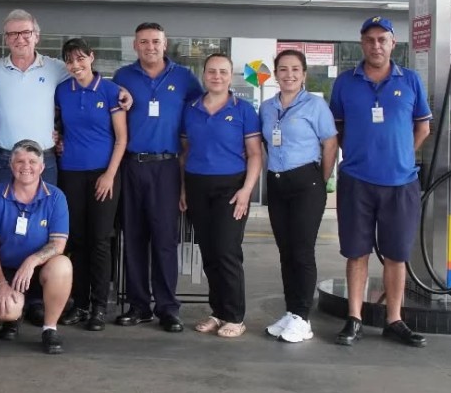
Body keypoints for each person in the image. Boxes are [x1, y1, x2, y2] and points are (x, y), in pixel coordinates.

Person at [329, 16, 431, 348]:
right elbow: (337, 130)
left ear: (393, 43)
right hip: (356, 181)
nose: (376, 45)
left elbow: (423, 128)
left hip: (401, 183)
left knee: (396, 255)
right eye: (370, 40)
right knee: (356, 253)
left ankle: (394, 319)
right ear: (362, 44)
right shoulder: (345, 82)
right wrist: (359, 155)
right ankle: (355, 318)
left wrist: (399, 156)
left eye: (382, 39)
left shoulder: (411, 80)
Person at [111, 22, 202, 332]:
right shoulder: (123, 77)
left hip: (167, 167)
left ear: (165, 44)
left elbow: (202, 114)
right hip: (132, 165)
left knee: (165, 240)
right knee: (134, 238)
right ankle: (139, 305)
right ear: (135, 46)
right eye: (144, 42)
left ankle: (167, 307)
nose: (150, 46)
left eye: (155, 41)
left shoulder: (184, 78)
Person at [180, 53, 262, 339]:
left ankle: (235, 316)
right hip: (197, 185)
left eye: (223, 72)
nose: (217, 76)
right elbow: (186, 152)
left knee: (227, 251)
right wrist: (182, 189)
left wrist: (246, 191)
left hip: (231, 187)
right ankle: (218, 312)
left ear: (231, 76)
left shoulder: (244, 109)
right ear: (203, 75)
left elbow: (254, 154)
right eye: (212, 72)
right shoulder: (190, 108)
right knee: (210, 252)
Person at [259, 49, 338, 343]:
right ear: (276, 74)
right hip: (277, 183)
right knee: (285, 251)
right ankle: (291, 312)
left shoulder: (315, 106)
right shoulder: (267, 107)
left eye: (294, 69)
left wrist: (321, 179)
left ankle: (303, 318)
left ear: (304, 74)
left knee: (302, 251)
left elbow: (330, 143)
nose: (288, 74)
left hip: (307, 182)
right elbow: (265, 143)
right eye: (282, 69)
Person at [54, 38, 126, 330]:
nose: (76, 65)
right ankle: (80, 304)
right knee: (77, 241)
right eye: (70, 61)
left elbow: (122, 138)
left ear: (92, 58)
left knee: (99, 241)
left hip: (103, 174)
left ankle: (98, 306)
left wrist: (109, 175)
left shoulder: (110, 91)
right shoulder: (62, 91)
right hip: (70, 173)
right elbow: (58, 126)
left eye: (81, 59)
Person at [0, 139, 72, 354]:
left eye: (33, 161)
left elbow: (58, 244)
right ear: (11, 165)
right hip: (5, 272)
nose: (26, 166)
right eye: (20, 161)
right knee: (6, 311)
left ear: (42, 167)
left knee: (63, 265)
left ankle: (49, 329)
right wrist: (1, 284)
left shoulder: (56, 197)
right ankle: (13, 318)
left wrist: (31, 261)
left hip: (38, 271)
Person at [0, 10, 68, 186]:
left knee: (44, 211)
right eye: (13, 34)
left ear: (36, 36)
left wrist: (120, 90)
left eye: (25, 32)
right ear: (6, 39)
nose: (19, 38)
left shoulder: (56, 68)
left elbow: (87, 80)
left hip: (43, 157)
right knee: (2, 212)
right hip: (5, 158)